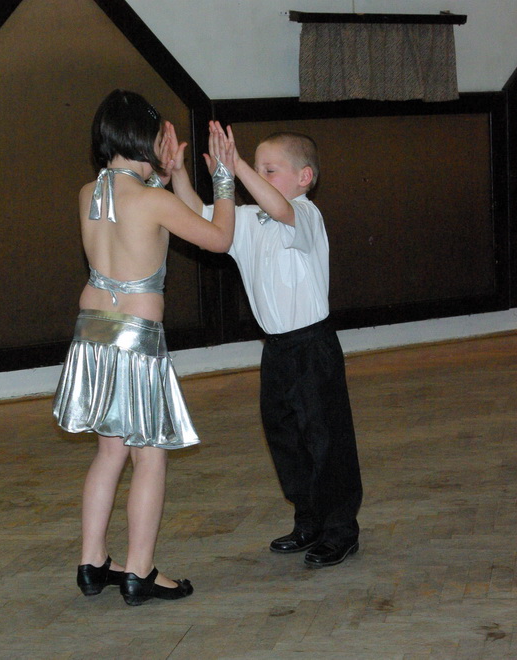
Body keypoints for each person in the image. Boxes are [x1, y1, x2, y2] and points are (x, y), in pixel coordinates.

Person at [52, 89, 237, 605]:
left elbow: (132, 207)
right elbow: (220, 238)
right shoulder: (152, 200)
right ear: (143, 137)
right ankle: (139, 571)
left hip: (92, 333)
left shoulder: (88, 192)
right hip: (136, 337)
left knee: (109, 452)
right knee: (149, 456)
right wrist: (222, 177)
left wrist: (165, 173)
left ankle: (92, 562)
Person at [167, 124, 363, 568]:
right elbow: (198, 215)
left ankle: (340, 530)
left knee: (326, 440)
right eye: (256, 168)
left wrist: (235, 166)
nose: (257, 176)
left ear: (304, 178)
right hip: (276, 350)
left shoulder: (305, 214)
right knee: (286, 439)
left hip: (313, 348)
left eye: (268, 170)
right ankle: (308, 520)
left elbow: (279, 207)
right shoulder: (249, 221)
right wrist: (178, 173)